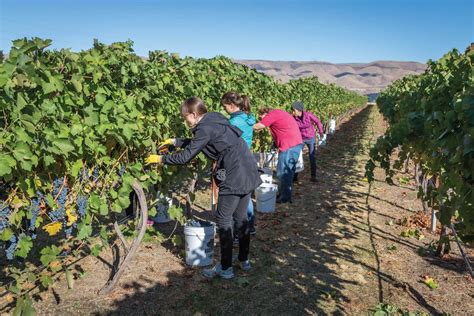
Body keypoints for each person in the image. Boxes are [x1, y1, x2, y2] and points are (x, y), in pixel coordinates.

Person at [145, 97, 262, 279]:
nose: (186, 121)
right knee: (240, 219)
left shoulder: (204, 128)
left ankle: (225, 268)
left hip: (234, 173)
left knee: (224, 220)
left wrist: (160, 159)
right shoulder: (214, 117)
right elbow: (202, 142)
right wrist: (176, 142)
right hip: (248, 167)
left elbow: (185, 157)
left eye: (186, 118)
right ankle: (244, 260)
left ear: (193, 114)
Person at [221, 92, 257, 235]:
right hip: (248, 158)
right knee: (245, 196)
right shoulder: (247, 117)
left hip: (238, 161)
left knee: (240, 199)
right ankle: (250, 226)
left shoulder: (234, 123)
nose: (224, 109)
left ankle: (240, 232)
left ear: (231, 105)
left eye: (225, 107)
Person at [253, 107, 303, 204]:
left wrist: (244, 126)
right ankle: (285, 195)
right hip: (294, 145)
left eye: (261, 117)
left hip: (289, 146)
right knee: (288, 173)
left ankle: (284, 198)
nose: (261, 119)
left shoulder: (273, 114)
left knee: (283, 173)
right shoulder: (279, 113)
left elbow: (259, 126)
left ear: (266, 113)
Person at [291, 101, 324, 183]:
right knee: (297, 156)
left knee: (312, 156)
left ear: (299, 110)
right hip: (301, 139)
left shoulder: (308, 115)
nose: (292, 112)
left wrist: (321, 132)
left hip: (310, 138)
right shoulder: (293, 118)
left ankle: (313, 176)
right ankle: (295, 177)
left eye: (293, 110)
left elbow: (318, 122)